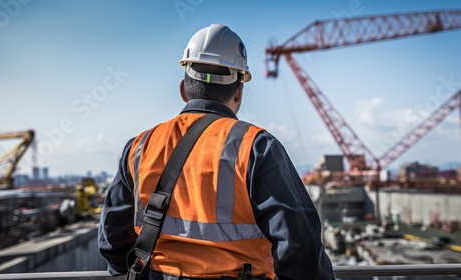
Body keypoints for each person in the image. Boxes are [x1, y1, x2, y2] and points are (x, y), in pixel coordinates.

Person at [98, 23, 334, 280]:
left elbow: (112, 240)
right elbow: (300, 249)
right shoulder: (256, 147)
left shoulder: (140, 147)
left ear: (183, 89)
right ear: (239, 91)